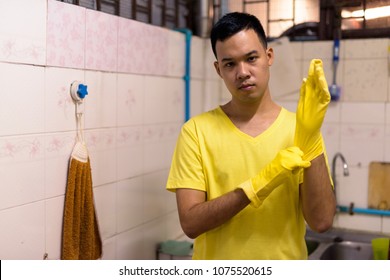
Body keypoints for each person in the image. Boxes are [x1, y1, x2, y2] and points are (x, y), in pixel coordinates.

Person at [166, 12, 336, 260]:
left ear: (268, 57)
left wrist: (310, 137)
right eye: (230, 63)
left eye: (251, 58)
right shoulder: (196, 132)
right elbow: (191, 223)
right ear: (218, 69)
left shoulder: (299, 129)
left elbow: (321, 221)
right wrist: (255, 187)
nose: (242, 72)